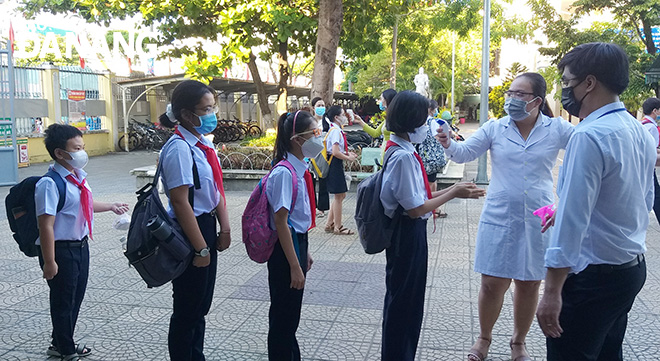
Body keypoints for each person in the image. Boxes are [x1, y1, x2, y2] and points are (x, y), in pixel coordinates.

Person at [437, 72, 574, 361]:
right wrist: (448, 142)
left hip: (541, 215)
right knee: (492, 284)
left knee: (529, 284)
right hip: (499, 215)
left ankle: (518, 342)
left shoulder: (557, 128)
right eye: (510, 93)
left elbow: (585, 151)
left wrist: (568, 201)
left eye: (519, 94)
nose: (511, 99)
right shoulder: (495, 128)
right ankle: (484, 338)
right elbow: (464, 154)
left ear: (537, 100)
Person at [536, 42, 655, 361]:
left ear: (589, 83)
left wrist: (551, 292)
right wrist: (563, 208)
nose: (564, 89)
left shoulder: (588, 135)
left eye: (566, 81)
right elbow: (639, 197)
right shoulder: (637, 130)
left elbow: (572, 224)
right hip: (629, 271)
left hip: (593, 280)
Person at [380, 90, 485, 360]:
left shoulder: (404, 150)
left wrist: (455, 188)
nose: (427, 125)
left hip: (410, 233)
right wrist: (452, 193)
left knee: (408, 302)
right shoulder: (402, 157)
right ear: (410, 120)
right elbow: (415, 209)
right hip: (406, 234)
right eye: (423, 119)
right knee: (403, 304)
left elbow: (420, 197)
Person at [36, 124, 129, 361]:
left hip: (81, 246)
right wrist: (50, 261)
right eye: (76, 148)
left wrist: (110, 206)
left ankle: (60, 342)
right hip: (61, 250)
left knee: (74, 298)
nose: (82, 153)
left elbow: (83, 204)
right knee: (63, 301)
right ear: (60, 153)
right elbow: (45, 225)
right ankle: (65, 348)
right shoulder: (49, 183)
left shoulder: (77, 178)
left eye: (82, 147)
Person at [158, 80, 231, 361]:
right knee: (188, 307)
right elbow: (180, 201)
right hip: (190, 231)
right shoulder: (179, 148)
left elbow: (214, 189)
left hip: (206, 226)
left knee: (200, 305)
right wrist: (200, 247)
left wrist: (224, 227)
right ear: (188, 115)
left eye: (213, 106)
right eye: (207, 108)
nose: (213, 113)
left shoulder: (201, 145)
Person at [267, 110, 321, 360]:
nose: (319, 138)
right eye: (315, 133)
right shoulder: (284, 173)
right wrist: (294, 265)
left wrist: (304, 252)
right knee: (283, 317)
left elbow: (296, 221)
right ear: (297, 139)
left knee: (290, 317)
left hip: (296, 243)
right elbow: (281, 222)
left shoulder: (300, 168)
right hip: (284, 250)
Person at [323, 105, 358, 235]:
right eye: (343, 115)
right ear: (336, 117)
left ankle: (329, 223)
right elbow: (336, 152)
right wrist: (348, 158)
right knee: (339, 195)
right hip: (334, 164)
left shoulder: (335, 130)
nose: (345, 117)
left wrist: (348, 155)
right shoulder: (336, 131)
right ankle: (338, 226)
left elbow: (337, 151)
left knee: (340, 195)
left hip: (334, 163)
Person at [352, 89, 397, 156]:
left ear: (387, 100)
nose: (379, 102)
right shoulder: (387, 119)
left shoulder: (396, 119)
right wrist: (360, 121)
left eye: (381, 99)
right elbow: (375, 133)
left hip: (392, 154)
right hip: (385, 154)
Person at [641, 97, 660, 225]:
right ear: (655, 111)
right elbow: (651, 152)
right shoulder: (652, 128)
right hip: (647, 168)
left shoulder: (641, 125)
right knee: (656, 197)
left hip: (640, 168)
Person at [310, 97, 329, 217]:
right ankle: (312, 207)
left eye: (323, 105)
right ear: (313, 108)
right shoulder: (309, 122)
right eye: (319, 105)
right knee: (311, 181)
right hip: (311, 154)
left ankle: (322, 208)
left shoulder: (327, 121)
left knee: (323, 181)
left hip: (323, 154)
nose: (321, 108)